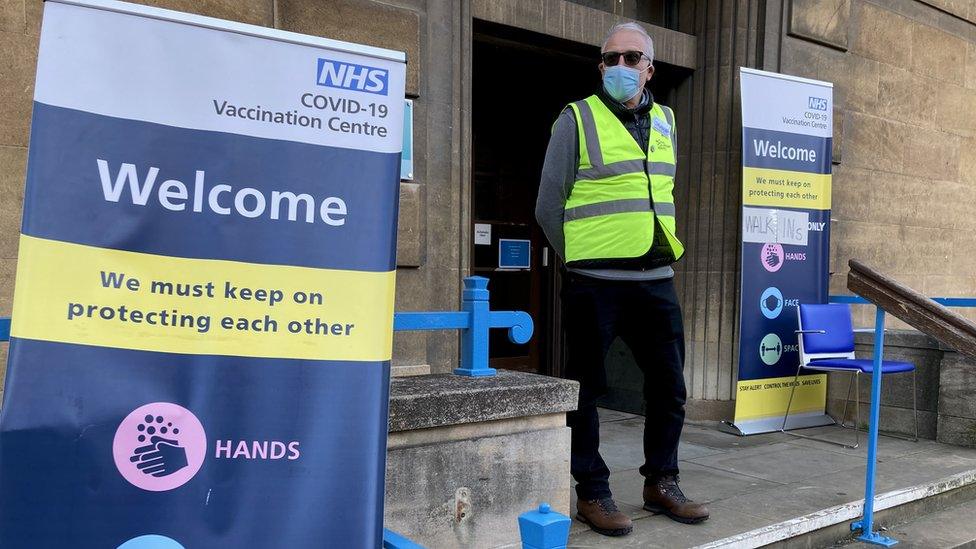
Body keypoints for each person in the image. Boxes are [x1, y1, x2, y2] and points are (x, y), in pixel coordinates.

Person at [535, 22, 709, 537]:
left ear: (649, 68)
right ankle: (592, 491)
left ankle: (662, 482)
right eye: (610, 58)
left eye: (631, 58)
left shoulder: (667, 120)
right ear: (600, 66)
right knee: (585, 389)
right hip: (595, 281)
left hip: (655, 277)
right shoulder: (576, 118)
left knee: (669, 387)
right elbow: (549, 205)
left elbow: (662, 192)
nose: (620, 67)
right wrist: (580, 260)